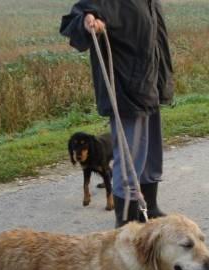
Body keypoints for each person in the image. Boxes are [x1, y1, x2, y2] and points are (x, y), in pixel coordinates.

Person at [60, 0, 174, 227]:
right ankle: (126, 223)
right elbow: (78, 16)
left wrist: (163, 83)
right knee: (130, 158)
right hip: (126, 90)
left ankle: (148, 208)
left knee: (151, 155)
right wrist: (88, 21)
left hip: (151, 85)